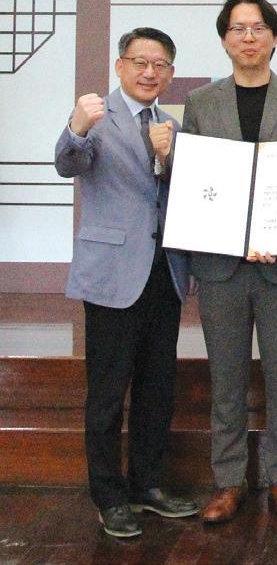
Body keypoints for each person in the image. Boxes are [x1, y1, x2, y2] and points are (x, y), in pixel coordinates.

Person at [169, 0, 277, 523]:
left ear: (274, 37)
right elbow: (196, 182)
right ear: (224, 40)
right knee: (226, 378)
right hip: (220, 265)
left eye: (258, 27)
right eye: (238, 28)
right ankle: (229, 480)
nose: (249, 37)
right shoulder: (201, 102)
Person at [54, 27, 198, 537]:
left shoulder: (171, 126)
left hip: (164, 274)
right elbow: (67, 163)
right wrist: (75, 127)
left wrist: (170, 159)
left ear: (170, 74)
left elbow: (182, 196)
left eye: (160, 64)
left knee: (158, 389)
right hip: (113, 274)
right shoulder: (96, 116)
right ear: (120, 66)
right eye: (140, 62)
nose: (149, 72)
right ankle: (109, 496)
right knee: (108, 393)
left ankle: (147, 486)